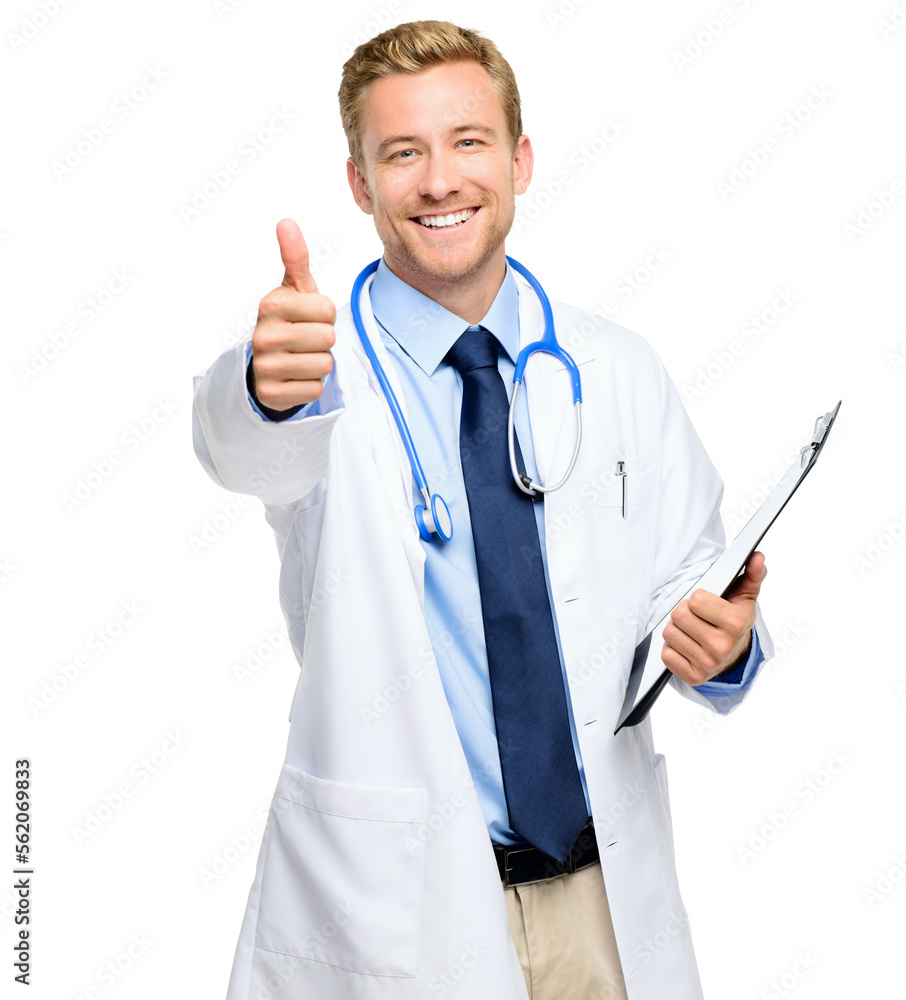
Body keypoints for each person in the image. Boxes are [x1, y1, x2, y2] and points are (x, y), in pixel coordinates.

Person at [192, 19, 771, 1000]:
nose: (440, 180)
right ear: (360, 185)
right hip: (402, 904)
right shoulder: (317, 378)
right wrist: (260, 388)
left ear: (520, 159)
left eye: (468, 142)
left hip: (600, 890)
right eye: (401, 153)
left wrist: (720, 644)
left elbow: (686, 573)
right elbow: (242, 446)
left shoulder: (615, 368)